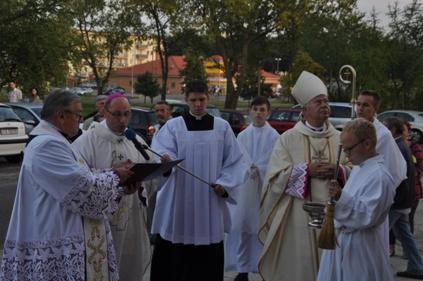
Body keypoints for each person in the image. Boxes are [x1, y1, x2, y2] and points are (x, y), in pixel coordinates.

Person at [0, 89, 135, 280]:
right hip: (54, 236)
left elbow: (82, 176)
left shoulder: (57, 141)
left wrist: (117, 183)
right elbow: (82, 188)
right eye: (78, 114)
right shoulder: (46, 146)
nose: (81, 120)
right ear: (61, 115)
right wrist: (116, 176)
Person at [149, 80, 248, 281]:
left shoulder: (222, 127)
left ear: (208, 99)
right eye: (193, 100)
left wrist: (225, 184)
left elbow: (236, 160)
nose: (198, 104)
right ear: (186, 100)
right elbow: (161, 152)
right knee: (176, 253)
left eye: (202, 99)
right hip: (180, 199)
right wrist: (165, 160)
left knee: (207, 259)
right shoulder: (173, 126)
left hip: (209, 199)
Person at [259, 71, 349, 281]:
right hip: (299, 215)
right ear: (305, 109)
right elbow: (274, 177)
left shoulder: (341, 137)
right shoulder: (288, 139)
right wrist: (307, 170)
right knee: (301, 265)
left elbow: (356, 168)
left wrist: (340, 171)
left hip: (335, 214)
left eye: (326, 101)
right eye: (318, 101)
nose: (324, 105)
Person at [72, 93, 153, 281]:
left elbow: (149, 174)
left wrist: (141, 183)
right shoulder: (87, 141)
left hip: (131, 215)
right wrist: (113, 174)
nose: (123, 120)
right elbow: (78, 179)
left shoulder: (136, 140)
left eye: (127, 114)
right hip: (101, 222)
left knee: (130, 266)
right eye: (117, 114)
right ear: (105, 112)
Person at [317, 118, 396, 281]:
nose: (346, 155)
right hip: (342, 243)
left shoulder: (380, 177)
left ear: (367, 144)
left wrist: (340, 197)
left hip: (360, 249)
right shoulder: (360, 168)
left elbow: (367, 216)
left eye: (349, 149)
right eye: (344, 149)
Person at [225, 96, 279, 281]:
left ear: (268, 112)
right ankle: (242, 268)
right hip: (246, 188)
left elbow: (275, 161)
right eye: (255, 109)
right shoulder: (243, 135)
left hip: (264, 189)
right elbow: (238, 160)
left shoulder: (274, 137)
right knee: (243, 228)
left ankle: (262, 267)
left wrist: (260, 169)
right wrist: (248, 169)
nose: (258, 113)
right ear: (250, 111)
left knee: (261, 229)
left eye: (262, 109)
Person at [355, 90, 407, 256]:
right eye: (358, 104)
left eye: (366, 105)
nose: (360, 108)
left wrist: (379, 195)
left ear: (375, 108)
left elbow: (394, 171)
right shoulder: (355, 127)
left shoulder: (382, 135)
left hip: (372, 198)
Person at [384, 117, 423, 280]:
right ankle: (417, 266)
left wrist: (393, 200)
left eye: (386, 128)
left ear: (392, 130)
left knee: (378, 234)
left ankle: (378, 269)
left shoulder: (397, 147)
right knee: (405, 235)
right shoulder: (401, 145)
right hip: (405, 199)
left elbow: (397, 176)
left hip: (398, 200)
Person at [147, 100, 173, 240]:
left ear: (169, 112)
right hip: (155, 172)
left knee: (166, 205)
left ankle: (164, 233)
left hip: (169, 173)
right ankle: (153, 233)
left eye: (162, 110)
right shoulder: (156, 128)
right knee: (153, 204)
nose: (159, 113)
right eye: (157, 111)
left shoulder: (174, 127)